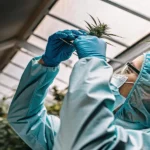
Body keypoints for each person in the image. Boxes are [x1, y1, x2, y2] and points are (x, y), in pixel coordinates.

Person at [7, 29, 150, 150]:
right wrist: (45, 65)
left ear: (147, 92)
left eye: (129, 69)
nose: (119, 74)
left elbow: (86, 142)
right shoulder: (110, 123)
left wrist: (92, 64)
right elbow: (24, 119)